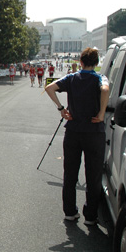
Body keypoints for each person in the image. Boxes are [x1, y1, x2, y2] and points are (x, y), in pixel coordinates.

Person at [45, 47, 109, 226]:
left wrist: (61, 109)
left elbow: (50, 88)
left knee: (70, 173)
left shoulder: (72, 78)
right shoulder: (99, 77)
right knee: (93, 175)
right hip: (94, 131)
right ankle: (90, 215)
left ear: (80, 62)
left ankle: (70, 212)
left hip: (73, 131)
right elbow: (105, 90)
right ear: (96, 63)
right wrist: (102, 113)